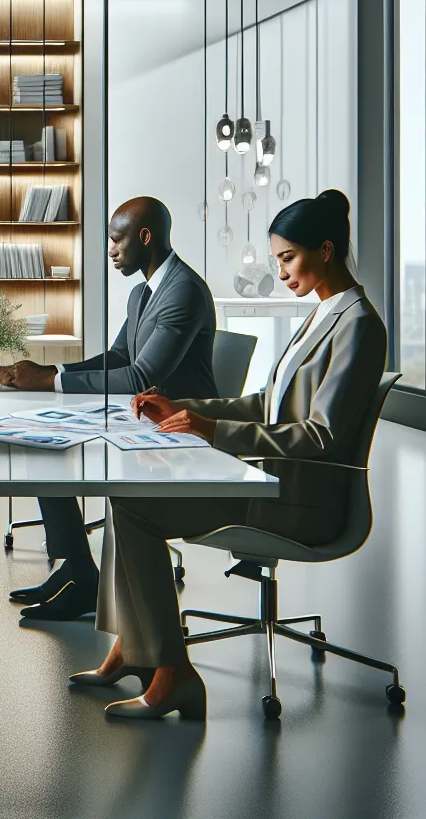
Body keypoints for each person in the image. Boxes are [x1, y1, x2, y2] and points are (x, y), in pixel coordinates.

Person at [77, 190, 386, 720]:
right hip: (267, 482)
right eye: (277, 261)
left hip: (299, 499)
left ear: (327, 250)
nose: (282, 272)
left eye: (288, 258)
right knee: (125, 494)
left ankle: (170, 672)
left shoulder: (357, 324)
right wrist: (185, 408)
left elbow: (321, 437)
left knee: (134, 505)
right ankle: (135, 645)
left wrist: (212, 432)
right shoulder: (320, 314)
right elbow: (266, 404)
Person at [0, 197, 218, 621]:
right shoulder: (142, 293)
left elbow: (140, 377)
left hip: (176, 429)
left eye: (117, 239)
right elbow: (118, 357)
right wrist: (52, 370)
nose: (111, 250)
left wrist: (50, 382)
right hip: (140, 417)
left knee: (52, 449)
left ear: (145, 237)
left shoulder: (183, 290)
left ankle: (81, 577)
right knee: (42, 444)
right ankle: (77, 569)